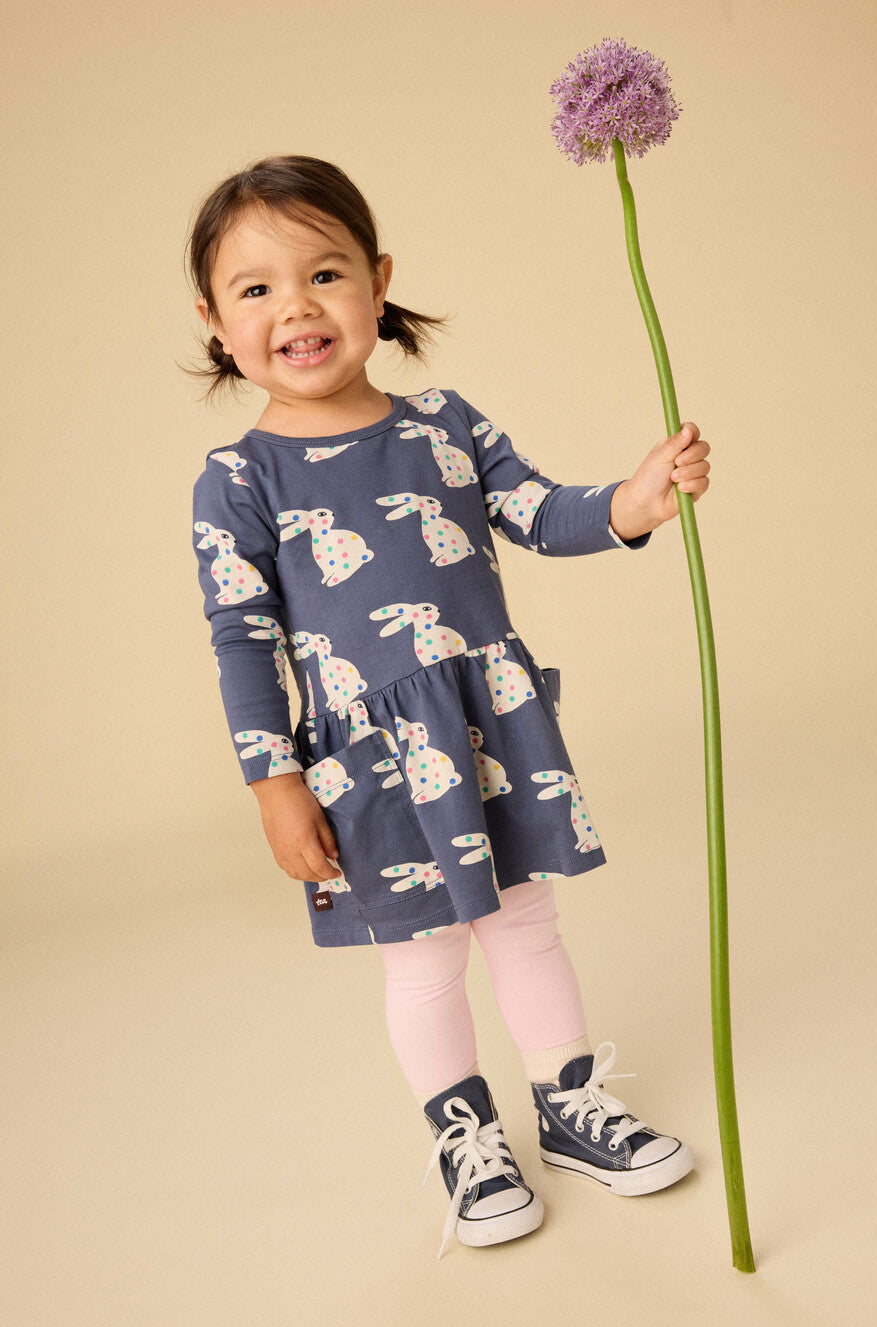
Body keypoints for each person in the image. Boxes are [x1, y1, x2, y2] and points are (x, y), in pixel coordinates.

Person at [186, 155, 710, 1261]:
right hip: (370, 761)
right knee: (422, 955)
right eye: (257, 288)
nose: (297, 308)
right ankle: (468, 1140)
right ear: (215, 322)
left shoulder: (444, 423)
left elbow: (538, 512)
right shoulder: (239, 481)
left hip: (485, 728)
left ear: (377, 283)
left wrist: (631, 500)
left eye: (325, 274)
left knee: (524, 921)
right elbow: (243, 639)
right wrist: (274, 782)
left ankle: (570, 1104)